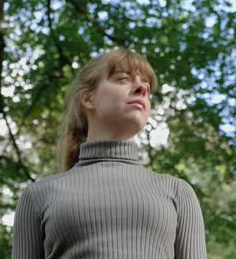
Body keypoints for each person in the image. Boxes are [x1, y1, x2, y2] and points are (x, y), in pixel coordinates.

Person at [11, 48, 207, 258]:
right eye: (123, 78)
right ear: (88, 98)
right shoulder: (38, 195)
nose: (141, 88)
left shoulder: (178, 193)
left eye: (147, 88)